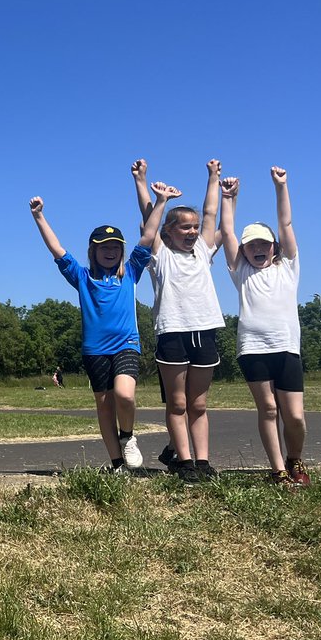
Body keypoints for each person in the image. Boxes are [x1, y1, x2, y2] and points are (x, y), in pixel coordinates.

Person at [28, 181, 178, 471]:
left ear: (122, 250)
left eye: (115, 247)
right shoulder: (82, 277)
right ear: (92, 251)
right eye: (103, 247)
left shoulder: (130, 271)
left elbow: (148, 236)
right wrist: (39, 216)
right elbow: (57, 250)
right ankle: (117, 463)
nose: (110, 251)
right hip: (94, 350)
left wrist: (161, 202)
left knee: (124, 394)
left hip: (126, 344)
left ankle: (128, 436)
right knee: (104, 404)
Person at [134, 158, 225, 484]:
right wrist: (142, 182)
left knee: (198, 404)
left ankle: (203, 462)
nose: (192, 232)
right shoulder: (160, 255)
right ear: (168, 232)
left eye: (194, 227)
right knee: (177, 402)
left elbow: (211, 213)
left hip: (204, 330)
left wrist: (213, 177)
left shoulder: (202, 250)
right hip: (172, 332)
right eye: (184, 228)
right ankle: (184, 462)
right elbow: (149, 217)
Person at [220, 168, 309, 487]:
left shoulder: (288, 267)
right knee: (268, 409)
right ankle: (278, 470)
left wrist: (281, 186)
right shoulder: (241, 272)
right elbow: (227, 231)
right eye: (251, 245)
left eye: (264, 244)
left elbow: (286, 224)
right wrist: (227, 197)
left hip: (287, 348)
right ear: (244, 251)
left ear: (275, 246)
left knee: (294, 416)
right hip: (253, 349)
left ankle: (295, 458)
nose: (258, 249)